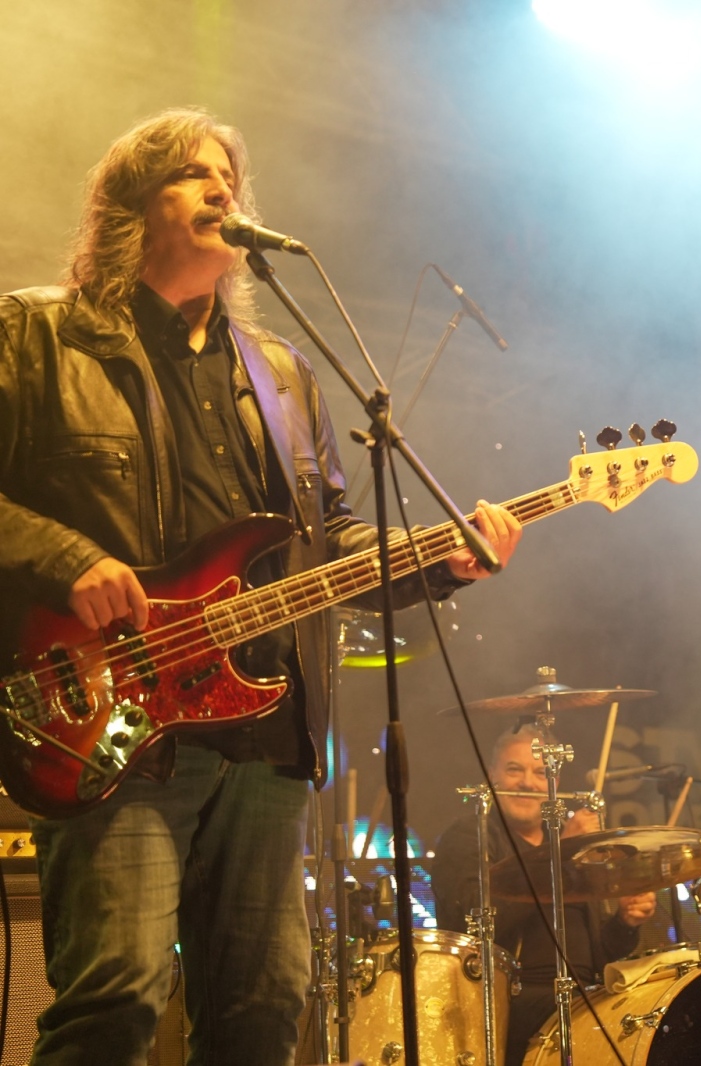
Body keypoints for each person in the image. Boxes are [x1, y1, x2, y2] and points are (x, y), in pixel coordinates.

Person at [0, 108, 524, 1065]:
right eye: (191, 174)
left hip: (264, 734)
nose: (221, 189)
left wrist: (439, 559)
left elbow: (326, 544)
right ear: (128, 207)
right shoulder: (38, 335)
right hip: (112, 722)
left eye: (229, 178)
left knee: (265, 1010)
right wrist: (63, 558)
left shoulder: (281, 374)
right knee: (116, 997)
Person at [432, 724, 656, 1062]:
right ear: (492, 775)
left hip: (584, 995)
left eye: (540, 773)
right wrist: (559, 853)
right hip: (507, 1000)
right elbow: (474, 920)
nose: (528, 782)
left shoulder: (570, 844)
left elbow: (598, 958)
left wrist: (625, 922)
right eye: (514, 769)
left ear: (555, 783)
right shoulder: (470, 835)